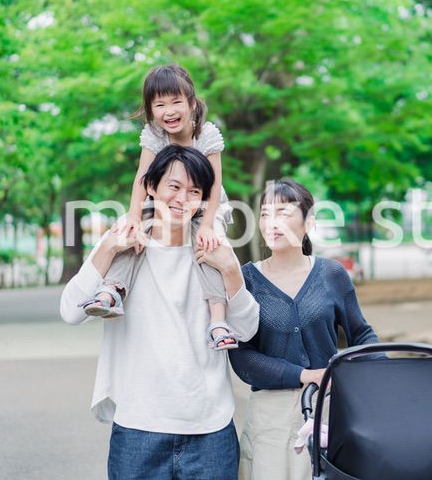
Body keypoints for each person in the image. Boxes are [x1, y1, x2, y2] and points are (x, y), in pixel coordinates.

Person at [60, 145, 259, 479]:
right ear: (151, 187)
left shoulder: (214, 247)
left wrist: (231, 271)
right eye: (174, 186)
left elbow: (247, 329)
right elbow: (70, 312)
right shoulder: (122, 243)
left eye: (194, 192)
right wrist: (108, 247)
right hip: (138, 427)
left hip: (209, 429)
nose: (182, 199)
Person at [229, 179, 379, 480]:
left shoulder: (332, 274)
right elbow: (241, 356)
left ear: (309, 221)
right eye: (265, 214)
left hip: (328, 411)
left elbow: (361, 335)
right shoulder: (247, 279)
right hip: (270, 421)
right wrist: (303, 375)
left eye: (283, 213)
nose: (271, 223)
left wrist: (387, 377)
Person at [86, 63, 237, 348]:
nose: (169, 111)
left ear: (192, 104)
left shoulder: (206, 135)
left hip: (207, 203)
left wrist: (207, 225)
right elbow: (142, 179)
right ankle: (112, 290)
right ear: (150, 109)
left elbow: (215, 186)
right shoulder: (155, 135)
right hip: (165, 200)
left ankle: (218, 319)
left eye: (176, 102)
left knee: (209, 247)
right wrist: (134, 215)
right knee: (131, 233)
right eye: (160, 105)